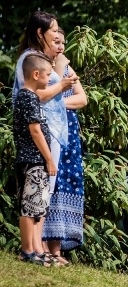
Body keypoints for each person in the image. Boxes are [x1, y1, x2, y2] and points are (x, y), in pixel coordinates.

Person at [13, 11, 78, 265]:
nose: (58, 33)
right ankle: (33, 249)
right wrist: (61, 84)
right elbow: (34, 98)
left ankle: (38, 249)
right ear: (41, 33)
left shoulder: (40, 59)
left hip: (48, 133)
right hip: (38, 142)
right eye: (54, 29)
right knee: (35, 199)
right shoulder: (29, 60)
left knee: (41, 197)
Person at [43, 29, 88, 264]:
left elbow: (82, 98)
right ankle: (42, 247)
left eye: (63, 42)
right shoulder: (41, 69)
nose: (60, 47)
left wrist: (59, 102)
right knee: (49, 184)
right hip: (49, 133)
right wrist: (58, 100)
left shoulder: (67, 69)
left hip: (69, 135)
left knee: (66, 184)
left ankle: (57, 250)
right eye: (56, 42)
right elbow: (44, 98)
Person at [13, 53, 57, 265]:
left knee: (35, 207)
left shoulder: (27, 97)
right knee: (29, 207)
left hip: (30, 159)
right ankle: (28, 250)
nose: (49, 78)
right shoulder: (29, 97)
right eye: (48, 74)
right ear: (36, 74)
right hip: (33, 160)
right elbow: (35, 130)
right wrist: (49, 159)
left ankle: (33, 251)